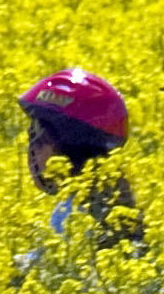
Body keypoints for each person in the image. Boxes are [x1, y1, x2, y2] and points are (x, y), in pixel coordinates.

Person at [19, 68, 142, 251]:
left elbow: (51, 264)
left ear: (61, 148)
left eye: (36, 138)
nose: (31, 149)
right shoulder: (116, 201)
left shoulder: (72, 214)